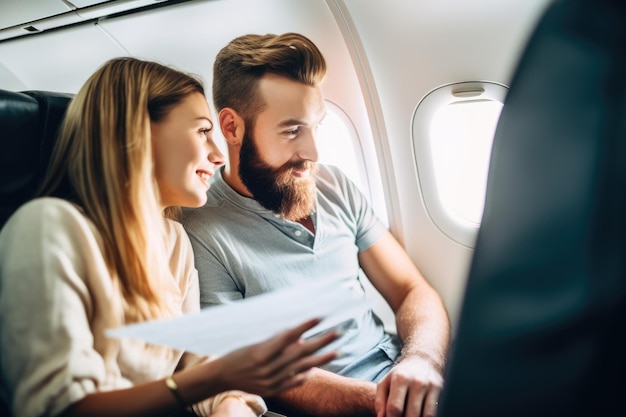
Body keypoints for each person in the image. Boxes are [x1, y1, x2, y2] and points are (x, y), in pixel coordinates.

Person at [0, 57, 340, 417]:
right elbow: (61, 407)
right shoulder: (49, 228)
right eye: (202, 131)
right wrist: (216, 376)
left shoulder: (173, 242)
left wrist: (229, 403)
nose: (218, 155)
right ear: (137, 131)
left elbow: (196, 363)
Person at [182, 33, 451, 417]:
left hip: (402, 374)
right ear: (232, 128)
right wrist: (388, 402)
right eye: (292, 131)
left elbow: (411, 289)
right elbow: (256, 372)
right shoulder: (203, 230)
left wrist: (422, 361)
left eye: (316, 127)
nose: (312, 154)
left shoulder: (333, 184)